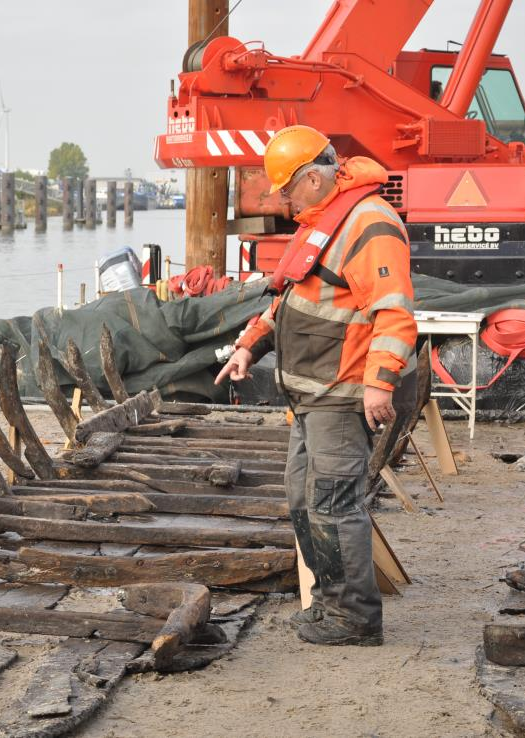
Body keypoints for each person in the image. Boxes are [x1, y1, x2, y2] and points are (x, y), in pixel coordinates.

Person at [215, 125, 417, 646]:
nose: (281, 200)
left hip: (343, 394)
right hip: (311, 395)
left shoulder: (369, 223)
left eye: (285, 189)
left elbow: (394, 314)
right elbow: (292, 298)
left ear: (311, 177)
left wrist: (379, 386)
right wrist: (250, 345)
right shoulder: (325, 220)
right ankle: (328, 605)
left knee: (334, 502)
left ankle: (354, 618)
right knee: (303, 500)